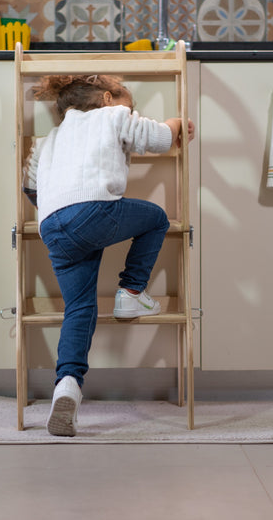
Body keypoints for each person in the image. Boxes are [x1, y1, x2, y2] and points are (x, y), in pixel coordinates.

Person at [23, 74, 195, 436]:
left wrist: (62, 209)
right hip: (94, 212)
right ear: (107, 98)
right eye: (131, 105)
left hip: (53, 228)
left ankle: (66, 387)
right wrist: (177, 124)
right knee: (156, 219)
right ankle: (131, 293)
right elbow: (160, 138)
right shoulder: (111, 116)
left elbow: (30, 186)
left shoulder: (48, 140)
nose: (132, 113)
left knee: (79, 308)